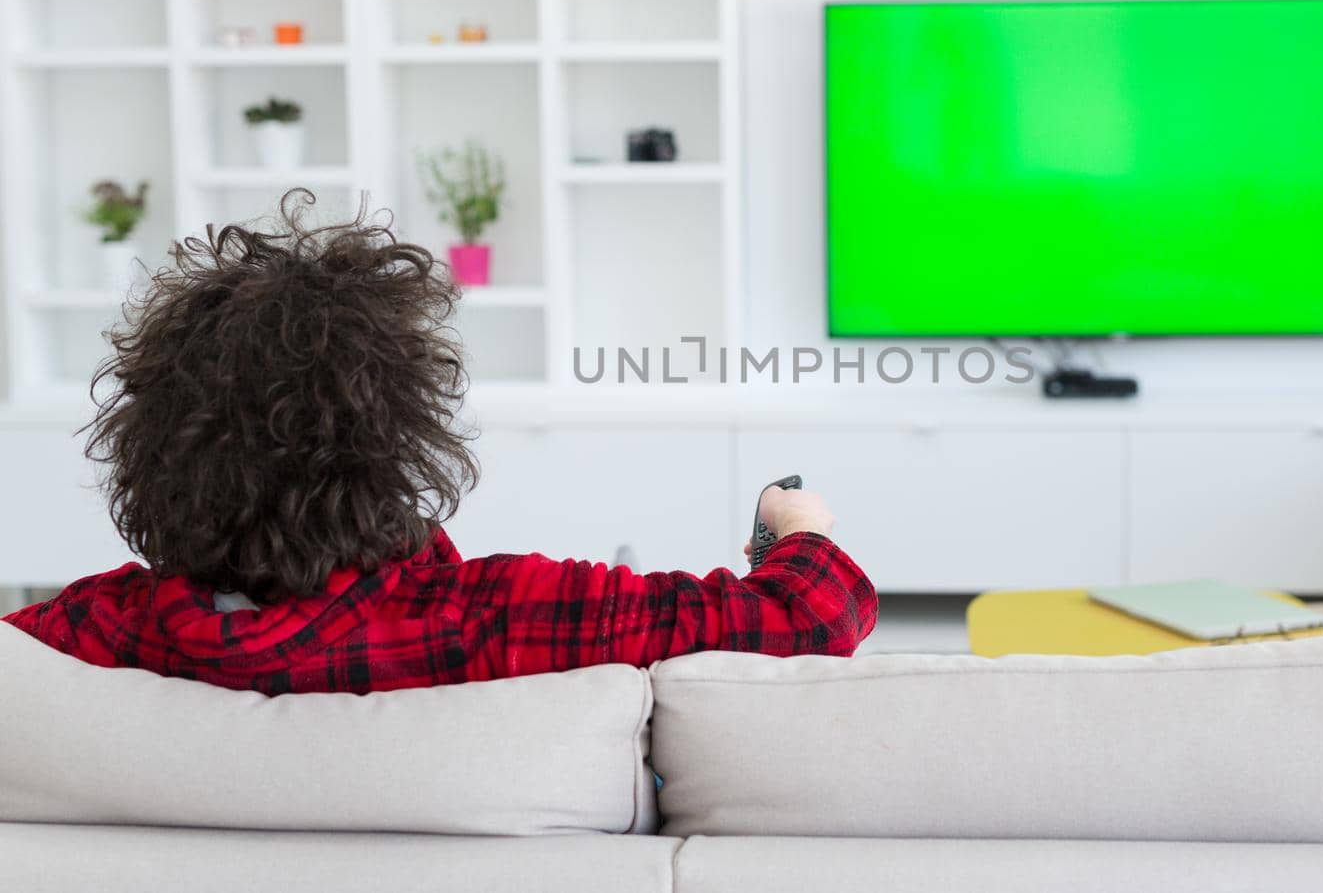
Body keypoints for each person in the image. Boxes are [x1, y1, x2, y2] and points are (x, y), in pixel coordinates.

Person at [3, 193, 877, 694]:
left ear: (151, 446)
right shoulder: (500, 615)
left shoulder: (90, 630)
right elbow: (816, 614)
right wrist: (797, 525)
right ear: (400, 434)